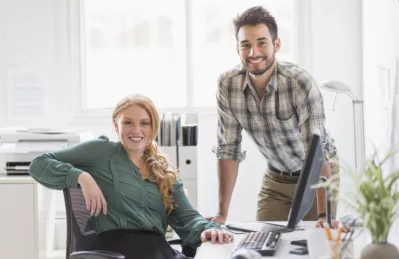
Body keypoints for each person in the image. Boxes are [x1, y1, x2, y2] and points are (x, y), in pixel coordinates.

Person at [29, 94, 233, 259]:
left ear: (153, 127)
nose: (136, 130)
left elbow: (188, 218)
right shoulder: (100, 151)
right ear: (115, 125)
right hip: (116, 251)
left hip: (158, 250)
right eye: (128, 122)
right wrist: (81, 177)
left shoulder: (163, 170)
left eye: (144, 123)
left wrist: (210, 230)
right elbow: (39, 164)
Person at [210, 6, 342, 229]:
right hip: (276, 178)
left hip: (315, 175)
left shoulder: (299, 83)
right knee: (262, 241)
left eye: (261, 42)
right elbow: (228, 149)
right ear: (238, 48)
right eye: (246, 45)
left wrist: (323, 215)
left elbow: (317, 151)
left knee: (312, 242)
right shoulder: (227, 85)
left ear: (276, 45)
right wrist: (222, 214)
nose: (253, 53)